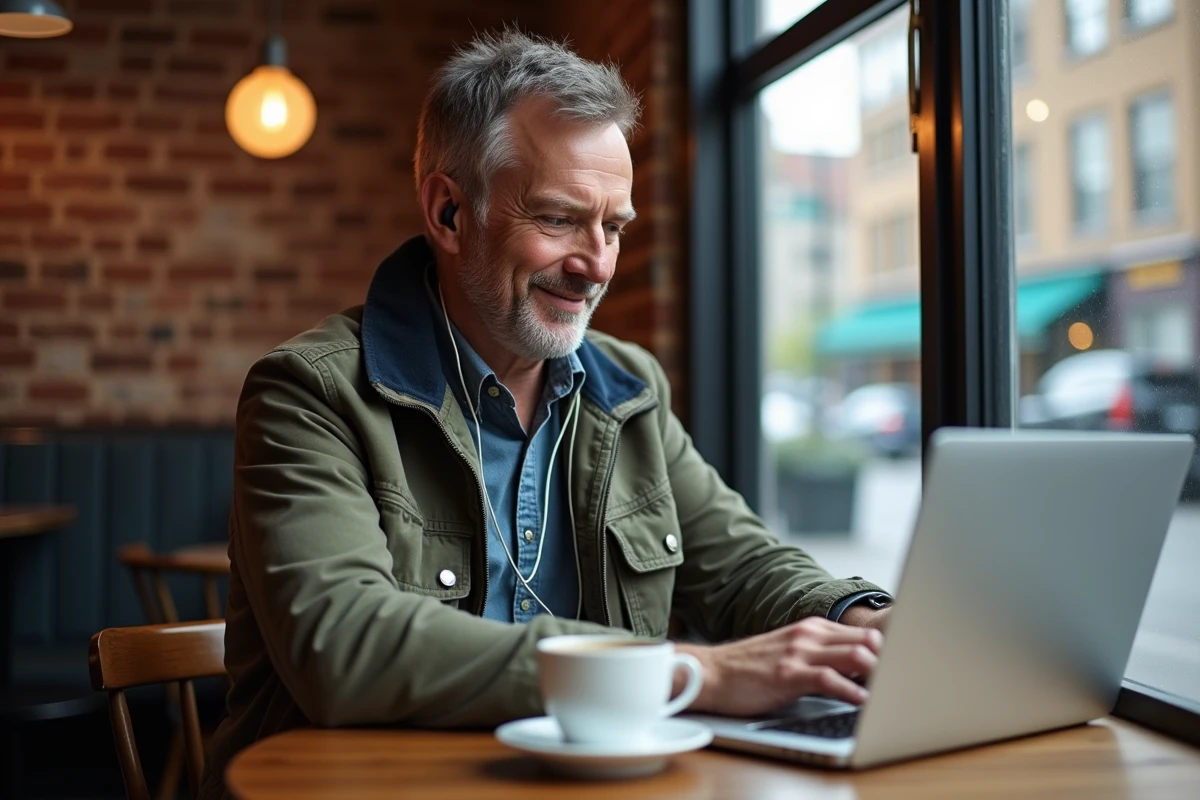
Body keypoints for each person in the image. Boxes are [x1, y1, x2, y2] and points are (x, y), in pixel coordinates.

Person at [197, 29, 891, 799]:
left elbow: (743, 566)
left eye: (615, 227)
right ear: (451, 212)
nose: (596, 264)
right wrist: (689, 671)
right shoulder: (308, 392)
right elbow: (345, 646)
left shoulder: (629, 387)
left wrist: (860, 621)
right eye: (560, 219)